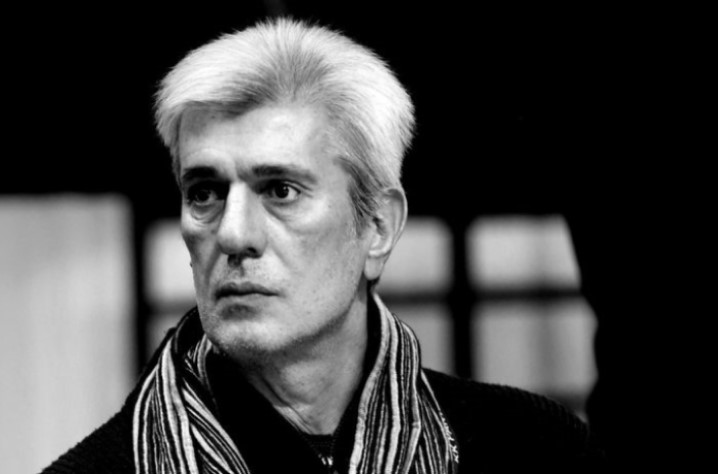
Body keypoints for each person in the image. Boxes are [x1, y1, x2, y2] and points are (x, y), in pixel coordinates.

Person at [42, 18, 604, 473]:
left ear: (378, 226)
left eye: (280, 190)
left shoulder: (535, 449)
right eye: (205, 192)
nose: (233, 234)